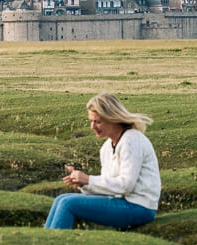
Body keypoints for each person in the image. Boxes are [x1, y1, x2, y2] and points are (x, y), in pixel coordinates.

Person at [44, 93, 160, 230]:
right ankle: (46, 243)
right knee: (61, 199)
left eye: (97, 122)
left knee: (68, 204)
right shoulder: (106, 148)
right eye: (91, 121)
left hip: (140, 207)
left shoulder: (132, 140)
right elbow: (108, 188)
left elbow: (126, 185)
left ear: (113, 119)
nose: (92, 127)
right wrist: (83, 184)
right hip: (120, 202)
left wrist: (88, 179)